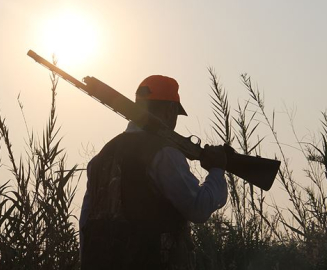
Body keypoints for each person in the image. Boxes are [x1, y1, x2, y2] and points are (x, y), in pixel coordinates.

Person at [79, 75, 228, 270]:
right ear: (170, 110)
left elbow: (85, 225)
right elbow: (198, 208)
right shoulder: (164, 153)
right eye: (175, 113)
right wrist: (217, 170)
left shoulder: (101, 157)